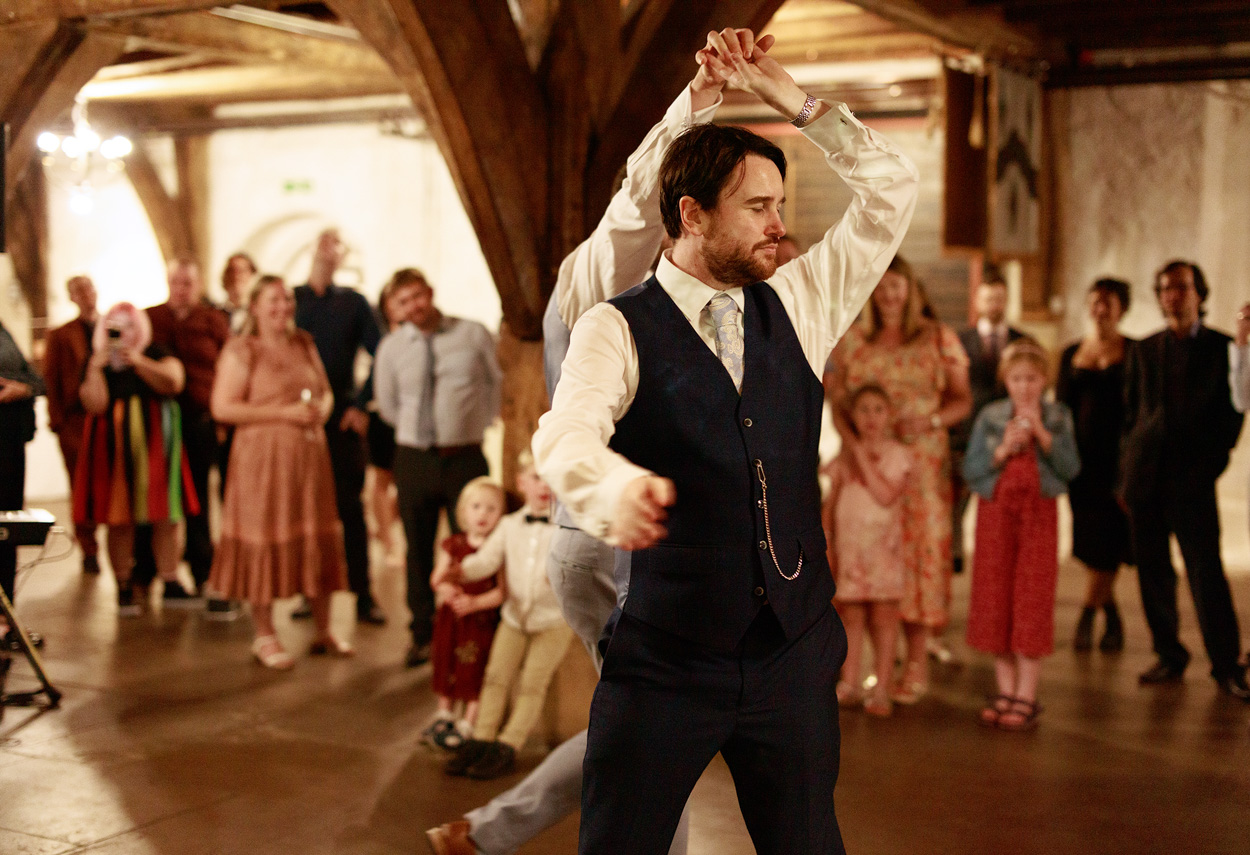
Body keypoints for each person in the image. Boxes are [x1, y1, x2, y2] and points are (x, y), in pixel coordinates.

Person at [532, 30, 918, 854]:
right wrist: (605, 488)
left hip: (796, 651)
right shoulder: (615, 322)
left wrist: (794, 102)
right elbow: (566, 432)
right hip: (667, 660)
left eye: (781, 205)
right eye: (758, 207)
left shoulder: (804, 298)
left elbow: (893, 186)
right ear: (692, 215)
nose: (780, 228)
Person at [425, 32, 741, 852]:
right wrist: (699, 100)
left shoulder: (655, 297)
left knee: (639, 723)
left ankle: (482, 832)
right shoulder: (600, 274)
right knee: (653, 729)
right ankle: (490, 831)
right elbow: (641, 195)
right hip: (606, 544)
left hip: (614, 540)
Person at [826, 254, 971, 704]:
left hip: (921, 466)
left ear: (909, 290)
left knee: (918, 557)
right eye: (882, 287)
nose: (889, 295)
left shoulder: (938, 338)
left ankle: (918, 663)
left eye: (897, 287)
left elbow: (961, 401)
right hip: (866, 462)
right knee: (870, 560)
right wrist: (850, 448)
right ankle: (873, 670)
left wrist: (927, 421)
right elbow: (835, 399)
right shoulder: (854, 341)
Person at [208, 275, 350, 669]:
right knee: (264, 536)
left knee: (315, 533)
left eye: (287, 299)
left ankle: (323, 629)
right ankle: (265, 635)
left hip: (308, 460)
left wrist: (322, 408)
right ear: (254, 306)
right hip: (261, 463)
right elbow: (223, 407)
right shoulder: (242, 349)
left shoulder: (302, 341)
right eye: (273, 300)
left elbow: (325, 390)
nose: (282, 307)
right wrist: (283, 414)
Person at [1120, 260, 1248, 700]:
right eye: (1165, 289)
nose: (1173, 295)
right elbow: (1130, 416)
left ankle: (1227, 665)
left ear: (1200, 293)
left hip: (1192, 482)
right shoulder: (1143, 349)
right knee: (1153, 573)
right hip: (1145, 482)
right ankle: (1169, 655)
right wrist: (1126, 477)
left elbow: (1233, 417)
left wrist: (1209, 467)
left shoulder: (1222, 347)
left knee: (1205, 573)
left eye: (1181, 287)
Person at [373, 268, 502, 667]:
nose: (413, 306)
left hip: (464, 456)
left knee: (474, 545)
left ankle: (473, 628)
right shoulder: (391, 348)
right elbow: (389, 406)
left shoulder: (472, 333)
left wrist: (474, 424)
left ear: (429, 292)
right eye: (403, 302)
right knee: (418, 548)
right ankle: (422, 633)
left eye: (416, 296)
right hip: (414, 458)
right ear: (395, 308)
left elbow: (496, 384)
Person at [963, 340, 1080, 730]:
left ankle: (1026, 695)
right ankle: (1005, 688)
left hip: (1038, 518)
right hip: (996, 516)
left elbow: (1070, 467)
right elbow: (972, 468)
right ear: (1005, 381)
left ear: (1044, 380)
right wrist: (1001, 450)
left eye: (1032, 378)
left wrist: (1043, 435)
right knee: (996, 595)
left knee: (1032, 597)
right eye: (1017, 378)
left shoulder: (1058, 415)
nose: (1025, 386)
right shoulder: (991, 416)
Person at [442, 453, 571, 781]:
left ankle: (508, 745)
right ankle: (482, 738)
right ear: (522, 483)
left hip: (553, 621)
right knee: (495, 677)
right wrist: (460, 572)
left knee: (532, 683)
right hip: (514, 617)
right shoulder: (510, 526)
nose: (544, 486)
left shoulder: (566, 527)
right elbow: (486, 560)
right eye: (537, 477)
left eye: (551, 478)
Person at [74, 303, 196, 615]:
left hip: (156, 440)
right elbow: (94, 404)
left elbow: (174, 382)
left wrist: (138, 361)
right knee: (119, 518)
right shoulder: (98, 360)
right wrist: (95, 368)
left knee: (167, 515)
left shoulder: (154, 352)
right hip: (113, 446)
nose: (122, 334)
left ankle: (170, 579)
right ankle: (124, 586)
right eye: (115, 328)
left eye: (128, 327)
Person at [294, 229, 383, 626]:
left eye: (336, 245)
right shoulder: (290, 300)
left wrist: (362, 405)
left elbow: (384, 354)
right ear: (311, 248)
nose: (328, 251)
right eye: (322, 243)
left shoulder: (354, 302)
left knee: (351, 511)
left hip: (341, 420)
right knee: (305, 511)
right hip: (297, 421)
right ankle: (308, 593)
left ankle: (363, 595)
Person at [822, 384, 913, 717]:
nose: (871, 417)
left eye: (878, 409)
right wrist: (828, 541)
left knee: (884, 620)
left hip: (883, 551)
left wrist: (859, 453)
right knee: (852, 616)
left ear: (889, 415)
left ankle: (882, 686)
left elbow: (885, 495)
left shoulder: (898, 455)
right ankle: (850, 682)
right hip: (852, 551)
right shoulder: (841, 459)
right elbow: (827, 501)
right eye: (863, 410)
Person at [1056, 278, 1135, 652]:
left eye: (1109, 303)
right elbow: (1060, 411)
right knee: (1091, 544)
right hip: (1080, 465)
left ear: (1122, 308)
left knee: (1111, 541)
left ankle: (1089, 613)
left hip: (1119, 464)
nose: (1101, 309)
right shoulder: (1071, 351)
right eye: (1095, 302)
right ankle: (1113, 615)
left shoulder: (1135, 351)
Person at [146, 258, 230, 604]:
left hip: (199, 423)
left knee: (196, 503)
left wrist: (221, 417)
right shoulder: (150, 319)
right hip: (156, 425)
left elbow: (227, 364)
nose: (181, 289)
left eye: (187, 283)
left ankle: (203, 572)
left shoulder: (213, 320)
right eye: (176, 282)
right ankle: (150, 574)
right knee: (155, 500)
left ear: (197, 284)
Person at [950, 266, 1026, 575]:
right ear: (978, 301)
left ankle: (1000, 562)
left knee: (1001, 506)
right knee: (958, 504)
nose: (994, 304)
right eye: (988, 299)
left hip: (1009, 436)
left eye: (999, 298)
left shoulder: (1022, 341)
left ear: (1006, 300)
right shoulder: (958, 340)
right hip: (966, 436)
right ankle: (954, 556)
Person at [422, 476, 507, 750]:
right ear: (463, 511)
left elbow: (501, 592)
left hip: (478, 622)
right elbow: (437, 579)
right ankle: (444, 713)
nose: (483, 514)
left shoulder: (498, 550)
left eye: (491, 509)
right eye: (476, 507)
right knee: (446, 661)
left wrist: (475, 603)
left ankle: (469, 721)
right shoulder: (453, 545)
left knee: (474, 669)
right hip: (451, 620)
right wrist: (447, 589)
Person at [44, 274, 100, 574]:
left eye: (89, 288)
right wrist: (58, 422)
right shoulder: (62, 334)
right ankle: (88, 547)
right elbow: (51, 379)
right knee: (81, 486)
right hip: (75, 420)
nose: (87, 295)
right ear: (72, 297)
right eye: (79, 291)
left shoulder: (109, 329)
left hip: (105, 417)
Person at [0, 319, 45, 617]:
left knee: (8, 529)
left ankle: (6, 616)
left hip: (10, 443)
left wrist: (21, 387)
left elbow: (39, 382)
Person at [365, 274, 409, 564]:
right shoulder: (377, 339)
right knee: (382, 479)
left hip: (413, 419)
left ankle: (390, 531)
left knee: (406, 481)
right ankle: (388, 541)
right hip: (382, 416)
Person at [219, 251, 257, 334]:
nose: (236, 275)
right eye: (231, 271)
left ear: (252, 276)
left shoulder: (258, 316)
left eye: (242, 271)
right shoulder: (214, 314)